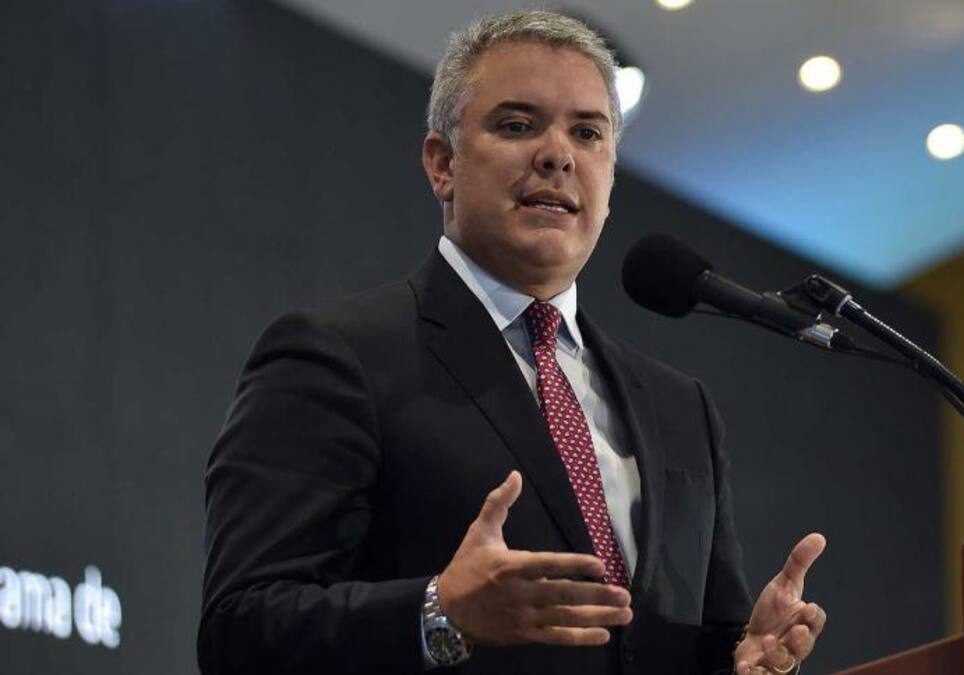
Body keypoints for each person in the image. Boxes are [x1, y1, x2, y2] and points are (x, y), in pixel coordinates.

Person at [198, 10, 826, 675]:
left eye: (587, 132)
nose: (558, 155)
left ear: (610, 180)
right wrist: (439, 614)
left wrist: (747, 660)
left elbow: (691, 642)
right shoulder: (335, 357)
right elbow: (240, 631)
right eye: (518, 125)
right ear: (442, 164)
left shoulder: (682, 409)